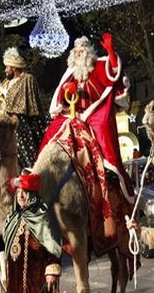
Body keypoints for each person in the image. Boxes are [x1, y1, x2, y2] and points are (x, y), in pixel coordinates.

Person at [38, 33, 134, 202]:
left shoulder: (97, 68)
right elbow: (61, 99)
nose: (78, 54)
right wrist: (67, 94)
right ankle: (39, 171)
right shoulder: (70, 73)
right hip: (72, 114)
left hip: (93, 114)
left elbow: (113, 72)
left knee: (103, 127)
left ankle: (110, 170)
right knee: (51, 132)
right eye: (76, 51)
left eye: (82, 51)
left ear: (88, 53)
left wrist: (110, 51)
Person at [0, 47, 46, 169]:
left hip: (21, 124)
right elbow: (4, 100)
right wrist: (0, 87)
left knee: (26, 152)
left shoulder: (27, 79)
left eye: (7, 67)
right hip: (8, 122)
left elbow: (18, 100)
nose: (5, 70)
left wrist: (1, 87)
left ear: (14, 68)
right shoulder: (8, 81)